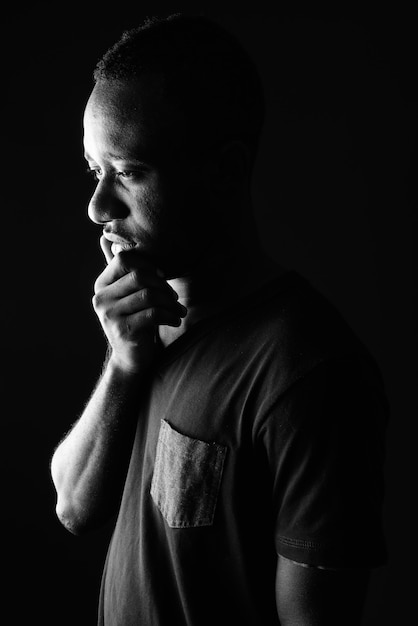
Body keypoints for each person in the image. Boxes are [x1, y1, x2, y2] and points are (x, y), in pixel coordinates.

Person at [51, 14, 388, 625]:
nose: (98, 206)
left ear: (224, 173)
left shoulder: (309, 373)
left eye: (128, 172)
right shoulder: (146, 323)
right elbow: (73, 506)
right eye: (94, 171)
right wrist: (125, 363)